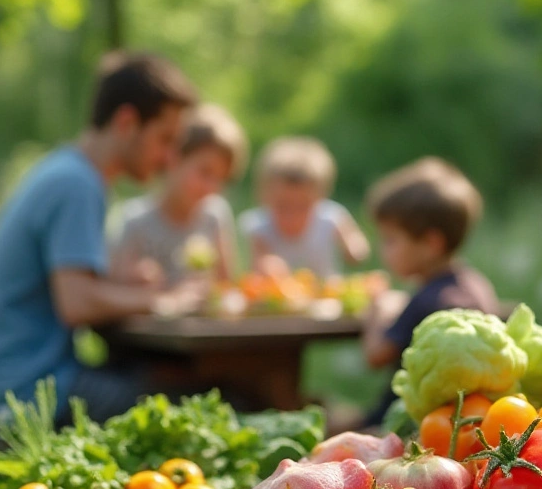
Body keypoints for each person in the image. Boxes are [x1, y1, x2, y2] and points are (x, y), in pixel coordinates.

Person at [0, 51, 199, 431]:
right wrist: (164, 300)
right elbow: (76, 302)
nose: (170, 159)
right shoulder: (78, 184)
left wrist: (123, 284)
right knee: (202, 399)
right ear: (127, 122)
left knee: (167, 380)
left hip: (12, 385)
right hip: (30, 396)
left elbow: (74, 285)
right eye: (165, 139)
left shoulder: (68, 171)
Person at [361, 157, 499, 422]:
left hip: (403, 420)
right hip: (463, 416)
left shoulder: (428, 300)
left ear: (431, 243)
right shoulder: (475, 284)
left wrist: (377, 309)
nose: (383, 249)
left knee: (320, 414)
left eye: (391, 239)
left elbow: (375, 355)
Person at [109, 103, 246, 287]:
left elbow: (225, 286)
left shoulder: (215, 215)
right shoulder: (135, 221)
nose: (211, 187)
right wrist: (133, 277)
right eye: (205, 172)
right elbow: (113, 285)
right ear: (174, 158)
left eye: (221, 179)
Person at [238, 136, 369, 280]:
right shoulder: (258, 225)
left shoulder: (331, 218)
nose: (292, 215)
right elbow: (260, 260)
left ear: (320, 198)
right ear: (264, 197)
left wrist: (354, 250)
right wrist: (267, 265)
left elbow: (355, 243)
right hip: (278, 297)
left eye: (302, 207)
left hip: (326, 296)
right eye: (283, 206)